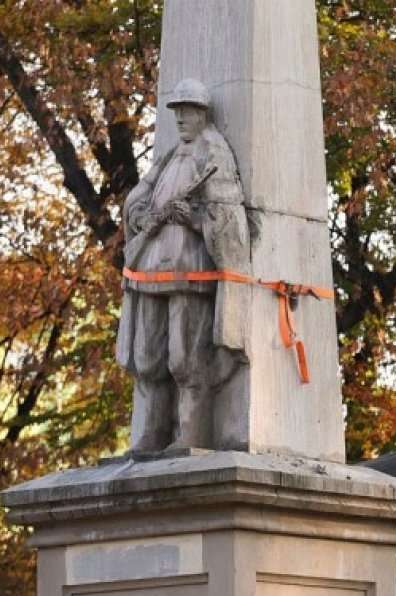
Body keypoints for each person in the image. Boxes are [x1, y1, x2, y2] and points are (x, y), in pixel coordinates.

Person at [116, 78, 250, 452]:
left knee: (185, 359)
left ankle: (190, 434)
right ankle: (150, 434)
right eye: (177, 111)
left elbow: (226, 217)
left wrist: (190, 216)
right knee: (147, 356)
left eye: (187, 111)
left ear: (202, 113)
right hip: (151, 271)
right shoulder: (171, 155)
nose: (180, 119)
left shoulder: (214, 153)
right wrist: (149, 216)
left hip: (191, 272)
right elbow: (136, 201)